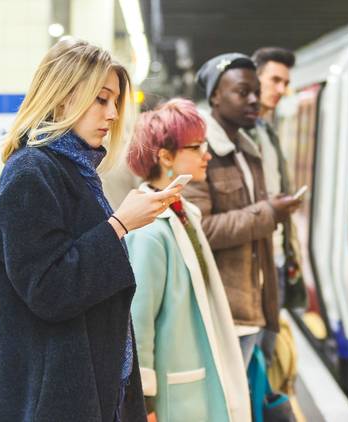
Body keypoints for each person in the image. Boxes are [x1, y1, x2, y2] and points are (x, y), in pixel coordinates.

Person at [0, 38, 182, 421]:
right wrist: (121, 224)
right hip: (51, 399)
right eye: (100, 99)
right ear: (61, 98)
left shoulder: (74, 170)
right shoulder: (30, 174)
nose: (111, 115)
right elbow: (49, 290)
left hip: (85, 388)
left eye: (115, 102)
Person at [125, 99, 251, 421]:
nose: (207, 155)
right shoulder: (149, 232)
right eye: (196, 147)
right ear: (165, 157)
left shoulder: (184, 212)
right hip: (174, 397)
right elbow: (138, 323)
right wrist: (146, 405)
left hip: (193, 382)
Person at [184, 53, 300, 367]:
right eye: (241, 92)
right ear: (215, 97)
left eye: (255, 92)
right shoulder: (199, 151)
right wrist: (269, 214)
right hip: (223, 313)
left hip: (254, 304)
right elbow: (199, 230)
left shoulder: (246, 151)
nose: (253, 100)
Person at [248, 47, 304, 363]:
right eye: (275, 80)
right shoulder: (239, 134)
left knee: (265, 357)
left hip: (277, 259)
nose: (281, 89)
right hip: (256, 265)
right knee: (256, 358)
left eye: (286, 83)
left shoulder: (267, 131)